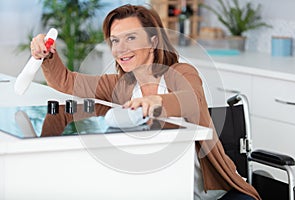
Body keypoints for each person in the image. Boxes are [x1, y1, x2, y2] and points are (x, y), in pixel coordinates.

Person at [30, 4, 261, 200]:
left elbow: (192, 99)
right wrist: (47, 55)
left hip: (214, 195)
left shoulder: (181, 72)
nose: (121, 49)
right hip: (165, 191)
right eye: (115, 41)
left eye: (131, 38)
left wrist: (155, 101)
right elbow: (68, 82)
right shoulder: (121, 85)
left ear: (153, 40)